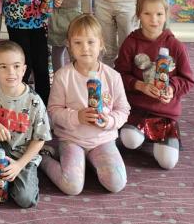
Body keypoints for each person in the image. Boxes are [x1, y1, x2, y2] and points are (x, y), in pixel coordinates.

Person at [40, 14, 130, 195]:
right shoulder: (63, 76)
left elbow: (123, 109)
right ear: (69, 45)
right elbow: (53, 111)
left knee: (116, 183)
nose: (85, 48)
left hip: (103, 140)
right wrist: (76, 117)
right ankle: (43, 159)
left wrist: (110, 121)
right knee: (72, 186)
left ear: (101, 44)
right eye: (78, 43)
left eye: (90, 42)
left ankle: (88, 162)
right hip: (72, 139)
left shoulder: (112, 76)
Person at [115, 0, 194, 169]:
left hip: (164, 113)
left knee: (168, 162)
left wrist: (172, 88)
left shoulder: (176, 46)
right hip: (136, 111)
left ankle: (164, 133)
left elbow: (188, 80)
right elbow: (118, 75)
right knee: (129, 140)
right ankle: (143, 134)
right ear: (138, 15)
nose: (154, 20)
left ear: (166, 15)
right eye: (147, 14)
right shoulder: (130, 43)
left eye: (159, 14)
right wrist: (139, 85)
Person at [0, 40, 51, 208]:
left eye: (16, 66)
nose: (11, 72)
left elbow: (40, 138)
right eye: (3, 66)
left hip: (23, 155)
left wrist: (19, 165)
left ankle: (15, 176)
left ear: (24, 69)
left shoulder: (34, 101)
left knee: (25, 200)